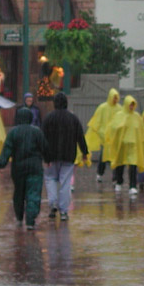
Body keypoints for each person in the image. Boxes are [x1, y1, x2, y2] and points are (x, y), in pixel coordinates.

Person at [0, 108, 48, 230]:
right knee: (33, 193)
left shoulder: (13, 132)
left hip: (18, 168)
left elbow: (7, 149)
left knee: (19, 192)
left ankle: (19, 217)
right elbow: (45, 148)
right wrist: (48, 159)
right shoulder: (37, 132)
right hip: (35, 167)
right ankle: (30, 220)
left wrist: (1, 164)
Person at [42, 92, 89, 222]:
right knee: (65, 183)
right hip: (68, 155)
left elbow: (42, 138)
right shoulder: (73, 118)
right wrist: (85, 152)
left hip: (51, 156)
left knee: (50, 179)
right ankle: (63, 211)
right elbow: (80, 136)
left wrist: (44, 156)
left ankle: (52, 204)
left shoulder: (48, 118)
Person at [104, 95, 144, 196]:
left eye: (133, 105)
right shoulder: (119, 115)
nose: (131, 107)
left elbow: (141, 130)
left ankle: (132, 186)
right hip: (122, 145)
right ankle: (119, 182)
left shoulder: (136, 117)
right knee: (120, 164)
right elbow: (113, 127)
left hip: (133, 146)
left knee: (133, 165)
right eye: (130, 105)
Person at [85, 88, 121, 182]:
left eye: (116, 98)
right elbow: (97, 121)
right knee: (103, 157)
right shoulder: (103, 107)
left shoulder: (119, 108)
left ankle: (115, 177)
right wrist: (102, 133)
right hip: (104, 137)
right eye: (114, 97)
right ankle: (100, 173)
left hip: (115, 138)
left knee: (115, 158)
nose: (115, 100)